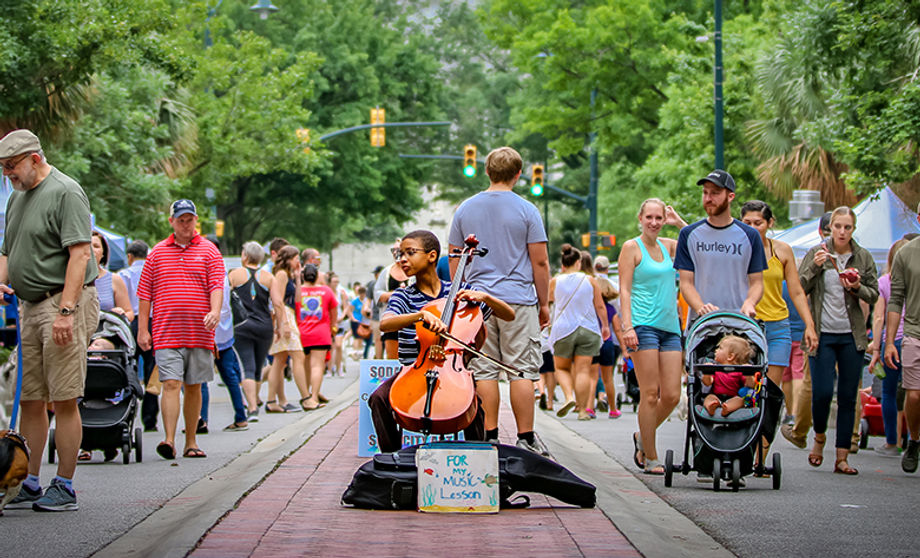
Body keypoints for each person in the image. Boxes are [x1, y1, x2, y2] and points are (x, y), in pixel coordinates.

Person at [0, 129, 100, 512]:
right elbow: (8, 250)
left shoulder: (65, 191)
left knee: (64, 397)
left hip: (61, 302)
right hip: (28, 306)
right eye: (4, 168)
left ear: (34, 159)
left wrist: (66, 311)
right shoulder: (17, 197)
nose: (8, 174)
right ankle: (30, 479)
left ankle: (66, 484)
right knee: (30, 399)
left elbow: (79, 254)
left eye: (12, 166)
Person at [368, 230, 514, 453]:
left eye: (410, 253)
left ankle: (477, 461)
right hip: (413, 371)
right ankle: (392, 459)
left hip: (452, 372)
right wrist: (420, 315)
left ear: (432, 256)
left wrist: (485, 297)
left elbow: (509, 315)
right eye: (400, 254)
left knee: (472, 404)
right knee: (379, 398)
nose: (402, 260)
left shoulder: (458, 296)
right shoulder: (403, 296)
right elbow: (386, 324)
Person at [448, 146, 550, 455]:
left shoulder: (465, 209)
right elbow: (540, 262)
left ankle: (489, 434)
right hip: (518, 301)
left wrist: (462, 289)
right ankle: (526, 437)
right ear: (519, 175)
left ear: (487, 172)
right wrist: (544, 304)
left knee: (483, 369)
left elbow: (455, 257)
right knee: (521, 370)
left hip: (477, 303)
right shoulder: (528, 210)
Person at [137, 199, 224, 460]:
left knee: (194, 385)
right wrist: (143, 329)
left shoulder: (209, 251)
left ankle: (191, 441)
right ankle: (169, 439)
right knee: (171, 383)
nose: (186, 224)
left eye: (190, 219)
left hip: (199, 331)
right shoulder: (157, 253)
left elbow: (216, 286)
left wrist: (215, 311)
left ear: (196, 220)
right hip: (165, 331)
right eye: (181, 220)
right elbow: (145, 294)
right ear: (172, 221)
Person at [799, 206, 878, 475]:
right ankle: (819, 438)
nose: (842, 232)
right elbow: (799, 288)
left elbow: (875, 294)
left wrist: (856, 286)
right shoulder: (817, 253)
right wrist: (814, 266)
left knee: (847, 397)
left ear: (853, 229)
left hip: (851, 336)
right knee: (821, 394)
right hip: (821, 335)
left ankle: (842, 457)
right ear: (829, 227)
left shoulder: (863, 256)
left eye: (848, 227)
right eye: (838, 226)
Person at [618, 198, 685, 474]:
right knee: (650, 393)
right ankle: (651, 455)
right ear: (640, 218)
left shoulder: (670, 246)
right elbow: (624, 290)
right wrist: (627, 327)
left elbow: (697, 245)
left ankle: (641, 437)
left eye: (659, 218)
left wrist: (679, 223)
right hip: (642, 326)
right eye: (650, 218)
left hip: (670, 327)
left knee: (671, 395)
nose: (655, 223)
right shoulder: (631, 248)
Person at [674, 170, 766, 321]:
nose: (708, 198)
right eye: (705, 193)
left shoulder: (750, 235)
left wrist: (750, 302)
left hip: (739, 321)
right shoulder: (688, 234)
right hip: (702, 325)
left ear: (730, 196)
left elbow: (757, 282)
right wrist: (701, 308)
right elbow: (686, 283)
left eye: (715, 193)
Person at [78, 232, 135, 461]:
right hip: (81, 335)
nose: (92, 250)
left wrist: (121, 313)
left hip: (106, 334)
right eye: (88, 246)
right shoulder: (74, 278)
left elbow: (129, 312)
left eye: (96, 246)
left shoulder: (113, 280)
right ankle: (84, 441)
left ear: (103, 252)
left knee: (98, 348)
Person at [781, 211, 832, 449]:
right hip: (804, 329)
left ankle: (792, 415)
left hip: (794, 331)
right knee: (799, 374)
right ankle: (797, 417)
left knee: (790, 376)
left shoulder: (792, 277)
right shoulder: (815, 263)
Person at [548, 245, 610, 421]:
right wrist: (605, 326)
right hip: (588, 329)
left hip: (563, 329)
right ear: (578, 262)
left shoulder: (555, 281)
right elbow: (600, 306)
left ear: (563, 263)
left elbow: (549, 302)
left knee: (561, 368)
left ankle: (568, 397)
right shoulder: (590, 280)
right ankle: (583, 411)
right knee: (583, 371)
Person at [885, 206, 920, 474]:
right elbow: (896, 298)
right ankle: (914, 441)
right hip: (915, 333)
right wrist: (887, 342)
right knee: (915, 395)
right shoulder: (906, 254)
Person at [869, 238, 909, 457]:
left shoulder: (885, 281)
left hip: (892, 341)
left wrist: (877, 348)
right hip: (915, 339)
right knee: (915, 391)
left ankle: (892, 442)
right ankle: (913, 441)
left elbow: (878, 318)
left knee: (889, 393)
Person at [228, 241, 275, 421]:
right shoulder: (269, 278)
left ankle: (253, 407)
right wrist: (282, 325)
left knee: (247, 366)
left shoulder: (234, 275)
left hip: (242, 326)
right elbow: (277, 304)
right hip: (264, 326)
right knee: (259, 365)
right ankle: (255, 399)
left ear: (245, 256)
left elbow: (224, 299)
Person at [118, 239, 158, 431]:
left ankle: (124, 414)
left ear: (130, 257)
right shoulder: (155, 273)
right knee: (152, 371)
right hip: (153, 322)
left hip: (129, 322)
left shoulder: (123, 275)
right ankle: (150, 419)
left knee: (126, 368)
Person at [266, 245, 307, 414]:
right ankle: (305, 397)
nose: (298, 261)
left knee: (279, 361)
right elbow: (278, 301)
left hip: (289, 315)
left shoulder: (288, 275)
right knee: (298, 355)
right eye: (296, 257)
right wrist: (283, 324)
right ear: (288, 259)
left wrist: (298, 278)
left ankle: (270, 400)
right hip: (285, 317)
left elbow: (297, 299)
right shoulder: (281, 275)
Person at [298, 263, 337, 410]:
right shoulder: (326, 291)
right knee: (317, 366)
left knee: (306, 366)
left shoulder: (298, 292)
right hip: (321, 334)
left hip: (302, 333)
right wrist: (333, 328)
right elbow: (334, 312)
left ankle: (307, 395)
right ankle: (314, 396)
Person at [701, 335, 756, 417]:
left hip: (734, 397)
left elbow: (751, 385)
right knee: (709, 397)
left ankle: (727, 408)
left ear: (730, 356)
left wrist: (748, 374)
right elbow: (707, 383)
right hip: (716, 396)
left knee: (740, 400)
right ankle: (711, 406)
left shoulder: (740, 371)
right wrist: (707, 372)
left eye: (720, 348)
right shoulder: (715, 367)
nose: (716, 351)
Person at [374, 241, 410, 359]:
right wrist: (397, 294)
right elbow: (378, 294)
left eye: (399, 250)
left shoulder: (413, 270)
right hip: (391, 320)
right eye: (393, 250)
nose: (396, 253)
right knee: (392, 358)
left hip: (410, 322)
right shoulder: (386, 272)